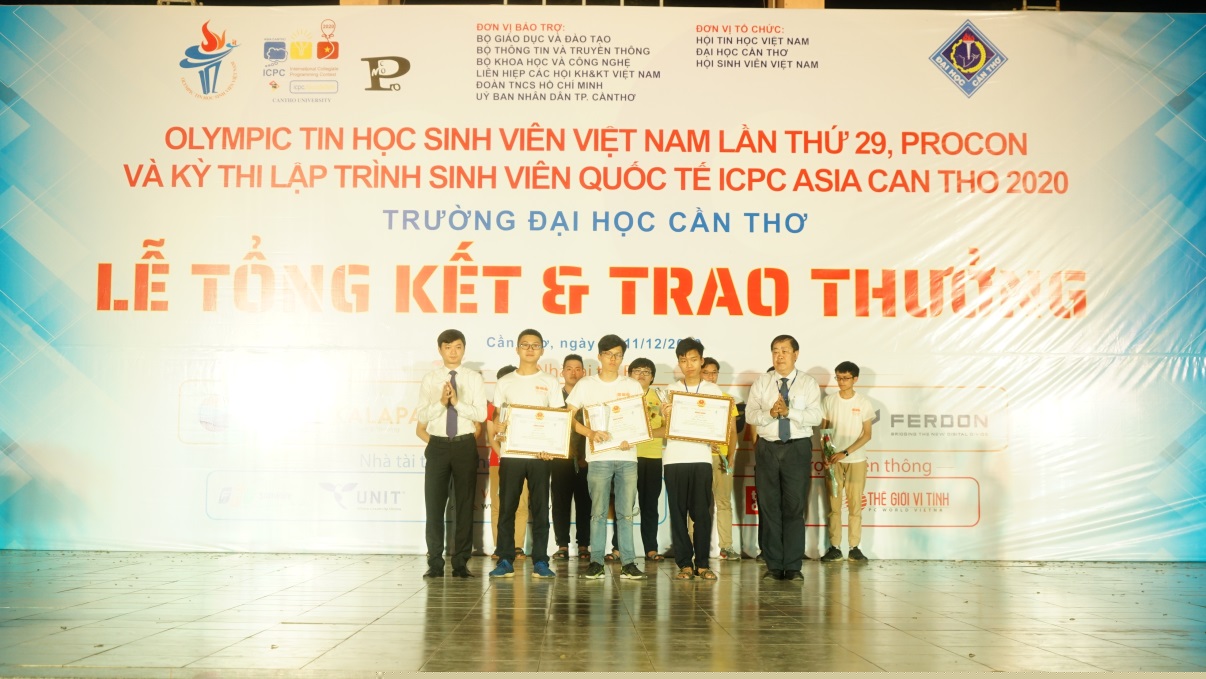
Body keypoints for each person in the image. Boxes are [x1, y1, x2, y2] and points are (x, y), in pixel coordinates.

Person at [565, 335, 646, 580]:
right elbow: (569, 417)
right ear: (599, 356)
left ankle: (628, 562)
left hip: (627, 456)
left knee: (626, 513)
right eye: (608, 354)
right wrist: (590, 433)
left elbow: (640, 420)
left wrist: (633, 438)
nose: (613, 359)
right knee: (598, 512)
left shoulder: (632, 385)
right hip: (599, 457)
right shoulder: (586, 384)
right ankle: (596, 561)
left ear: (623, 358)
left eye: (618, 355)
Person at [745, 336, 821, 582]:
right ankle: (774, 564)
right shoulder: (762, 382)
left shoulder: (808, 383)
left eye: (785, 351)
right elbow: (750, 415)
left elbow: (816, 417)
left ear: (796, 354)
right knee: (769, 507)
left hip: (797, 448)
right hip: (767, 448)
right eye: (775, 351)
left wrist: (790, 412)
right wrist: (770, 413)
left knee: (794, 506)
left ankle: (793, 565)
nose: (779, 356)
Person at [489, 330, 563, 579]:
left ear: (542, 350)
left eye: (535, 345)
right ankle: (505, 559)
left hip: (541, 455)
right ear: (517, 349)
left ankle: (540, 560)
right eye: (525, 345)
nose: (530, 349)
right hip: (511, 453)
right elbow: (498, 417)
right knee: (507, 508)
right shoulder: (505, 382)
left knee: (541, 509)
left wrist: (552, 448)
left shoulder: (550, 382)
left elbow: (558, 419)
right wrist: (499, 427)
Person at [661, 338, 736, 581]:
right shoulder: (670, 390)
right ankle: (684, 564)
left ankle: (702, 564)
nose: (689, 364)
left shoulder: (712, 391)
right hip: (674, 459)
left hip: (702, 458)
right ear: (679, 363)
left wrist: (716, 437)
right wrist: (665, 416)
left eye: (693, 359)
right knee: (677, 514)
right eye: (683, 360)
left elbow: (721, 426)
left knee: (702, 513)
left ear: (701, 361)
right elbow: (664, 428)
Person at [417, 329, 487, 578]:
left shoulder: (473, 378)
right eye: (447, 347)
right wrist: (441, 402)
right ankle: (435, 562)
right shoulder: (430, 379)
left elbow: (481, 415)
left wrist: (456, 402)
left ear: (464, 349)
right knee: (434, 505)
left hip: (464, 444)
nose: (453, 352)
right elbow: (422, 415)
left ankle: (460, 563)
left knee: (465, 505)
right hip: (437, 445)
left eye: (458, 347)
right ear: (440, 350)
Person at [819, 361, 874, 563]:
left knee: (855, 506)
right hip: (833, 461)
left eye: (845, 378)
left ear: (855, 379)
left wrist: (845, 452)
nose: (841, 382)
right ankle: (834, 547)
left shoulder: (864, 403)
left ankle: (854, 547)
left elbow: (867, 434)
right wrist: (826, 455)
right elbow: (823, 431)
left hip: (856, 460)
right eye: (838, 377)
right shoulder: (829, 401)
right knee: (834, 506)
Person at [550, 355, 592, 561]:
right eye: (569, 368)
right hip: (560, 458)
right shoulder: (554, 398)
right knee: (560, 503)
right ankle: (562, 545)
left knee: (586, 502)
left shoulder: (590, 397)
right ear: (562, 372)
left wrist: (585, 454)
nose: (573, 373)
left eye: (577, 369)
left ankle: (584, 545)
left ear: (583, 372)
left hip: (587, 458)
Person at [486, 366, 528, 562]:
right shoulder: (492, 409)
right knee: (498, 506)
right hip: (499, 462)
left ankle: (517, 546)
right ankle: (500, 546)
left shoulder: (524, 406)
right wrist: (503, 456)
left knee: (521, 504)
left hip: (522, 461)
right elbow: (492, 436)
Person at [702, 356, 742, 562]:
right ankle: (694, 547)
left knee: (724, 502)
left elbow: (733, 431)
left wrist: (730, 455)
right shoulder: (693, 398)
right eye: (706, 373)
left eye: (714, 373)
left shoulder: (727, 399)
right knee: (697, 504)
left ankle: (727, 546)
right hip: (699, 457)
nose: (710, 377)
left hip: (722, 458)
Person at [628, 358, 667, 563]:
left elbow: (668, 428)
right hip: (627, 457)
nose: (641, 374)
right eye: (637, 370)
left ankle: (651, 548)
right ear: (629, 375)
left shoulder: (660, 397)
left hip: (652, 456)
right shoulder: (622, 395)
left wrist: (645, 432)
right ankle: (618, 548)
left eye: (646, 371)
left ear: (652, 377)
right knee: (624, 505)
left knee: (650, 505)